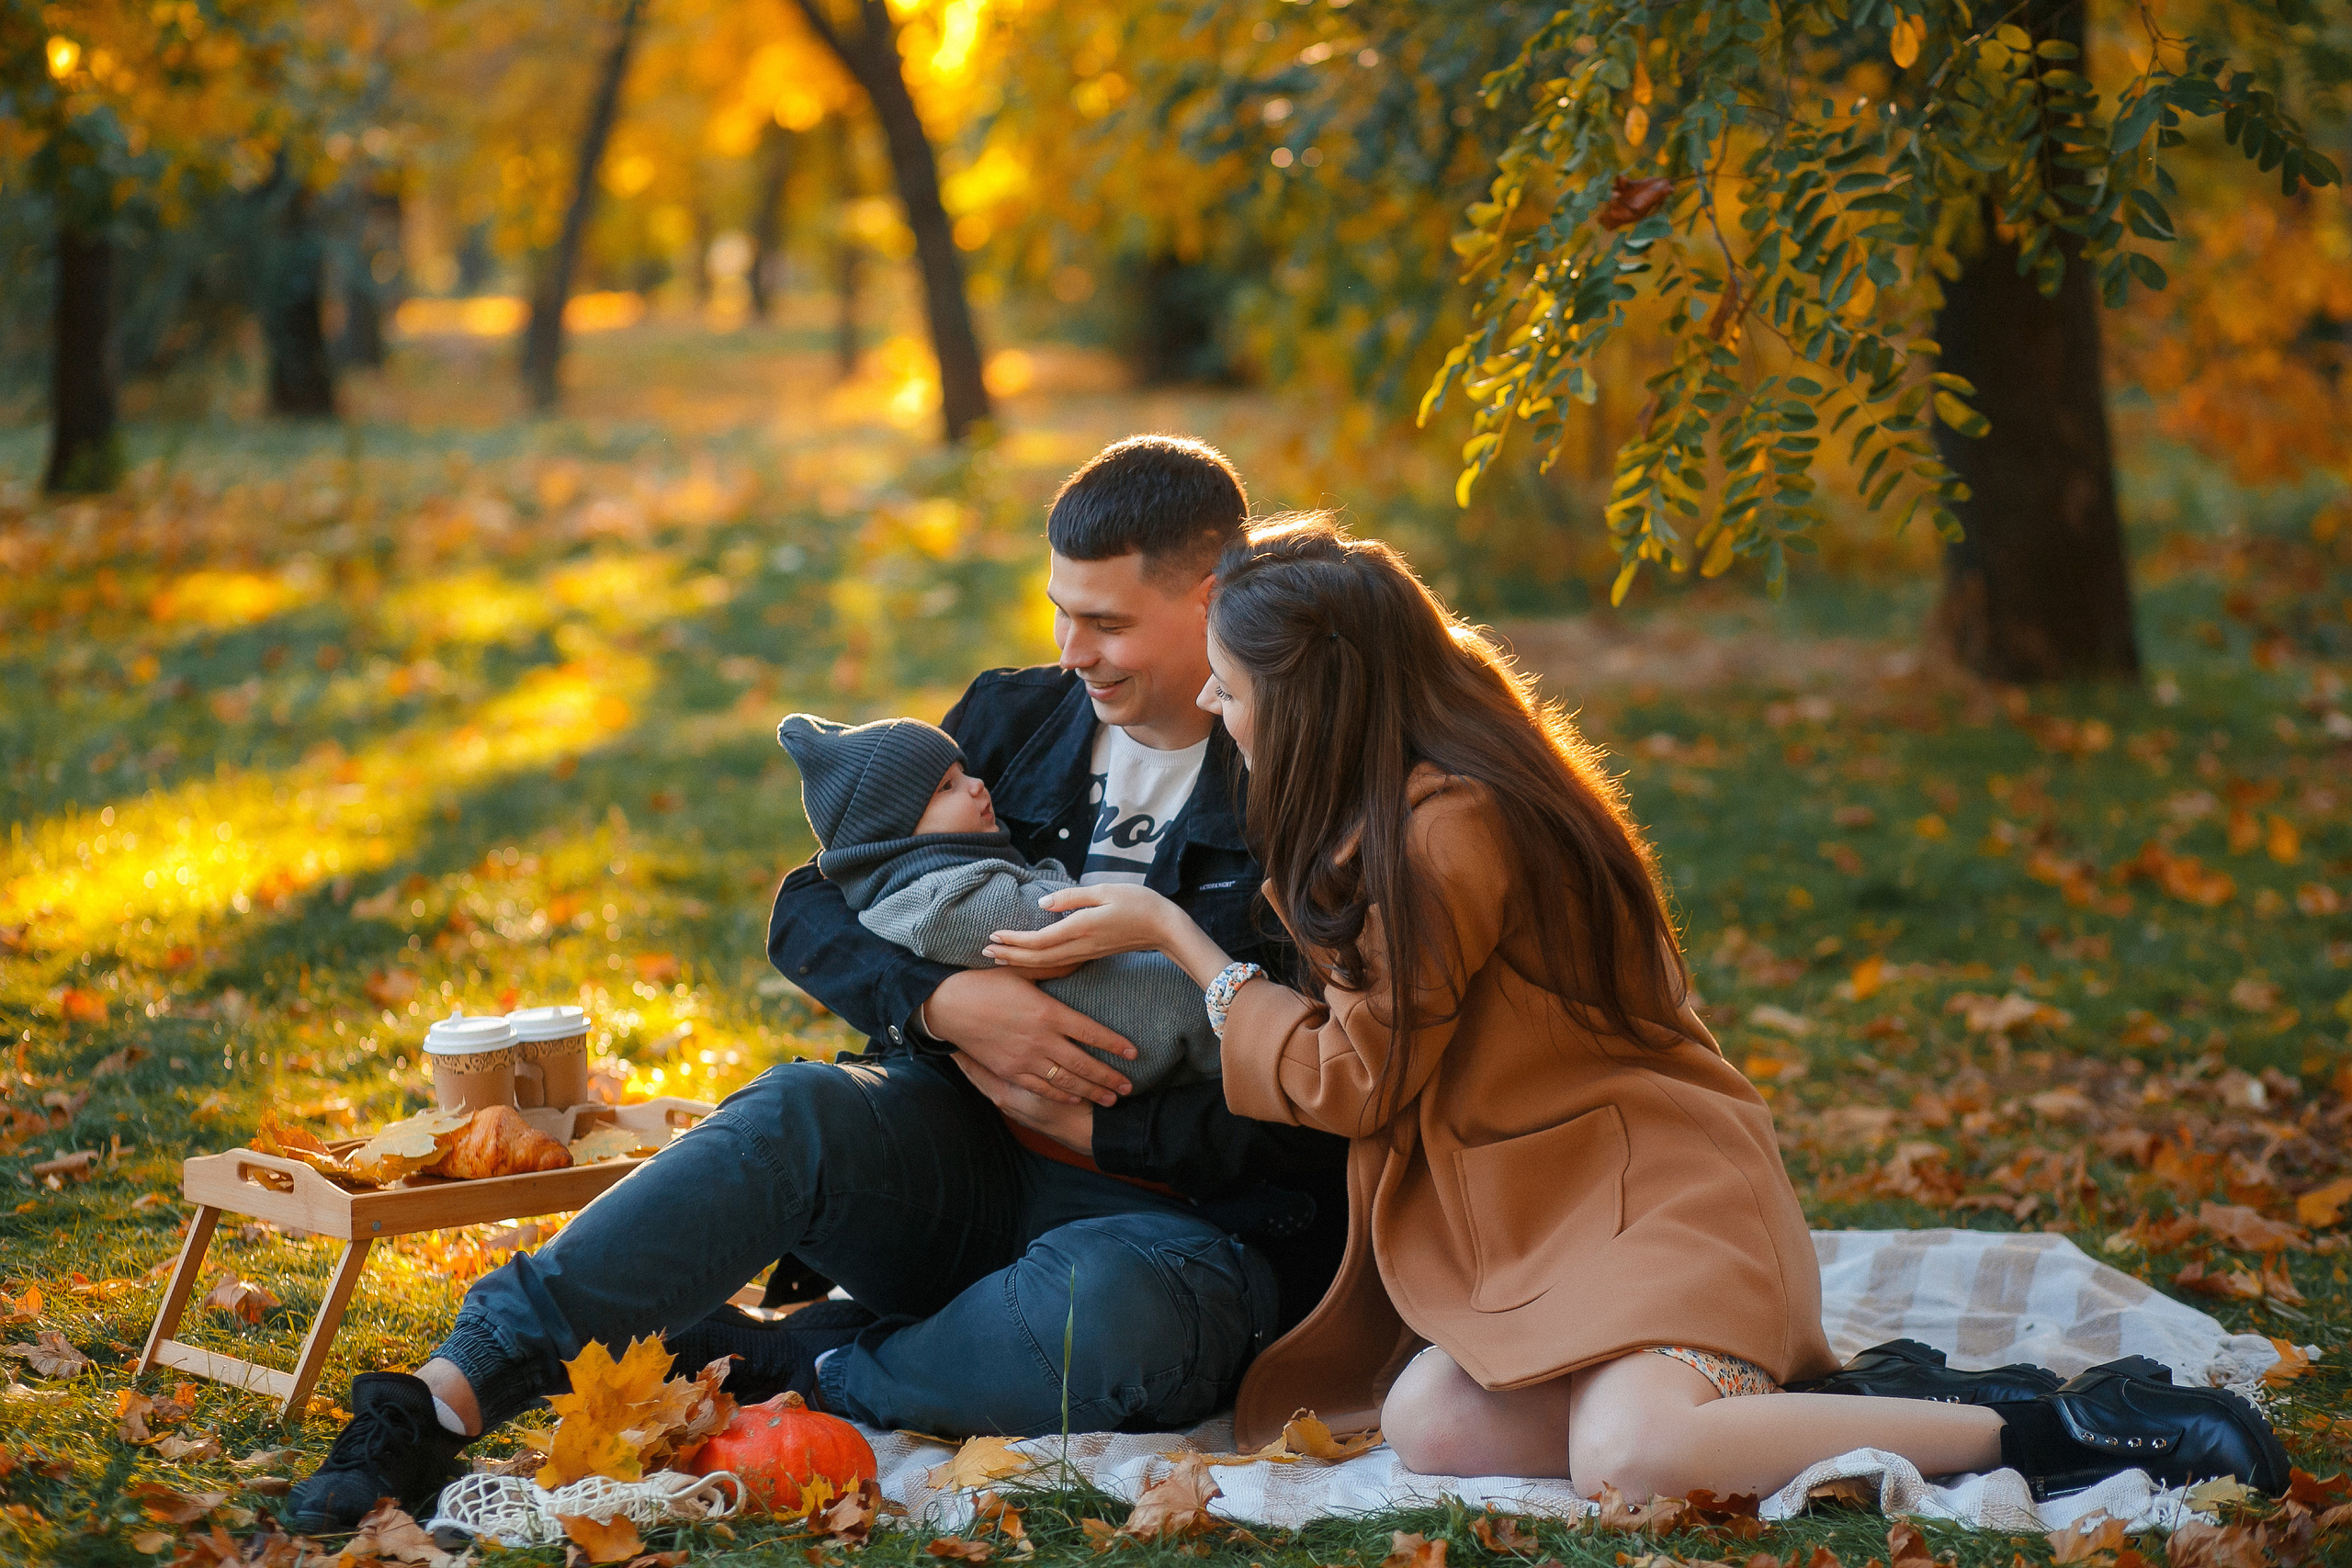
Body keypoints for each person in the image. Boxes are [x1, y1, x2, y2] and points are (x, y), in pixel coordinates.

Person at [982, 515, 2290, 1502]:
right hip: (1548, 1206)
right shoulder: (1414, 793)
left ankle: (2066, 1428)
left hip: (1651, 1192)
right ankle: (1896, 1396)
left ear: (1314, 692)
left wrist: (1181, 941)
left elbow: (1351, 1082)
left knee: (1635, 1453)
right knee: (1434, 1421)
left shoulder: (1446, 831)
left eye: (1230, 681)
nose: (1212, 704)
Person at [286, 436, 1349, 1534]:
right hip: (960, 1160)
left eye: (1110, 623)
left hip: (1178, 1234)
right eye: (1059, 612)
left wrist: (1098, 1129)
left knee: (1119, 1320)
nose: (1075, 651)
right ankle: (444, 1397)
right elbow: (817, 899)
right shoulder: (1020, 717)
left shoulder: (1305, 773)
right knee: (796, 1109)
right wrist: (940, 1007)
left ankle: (810, 1359)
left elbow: (1334, 1099)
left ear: (1212, 597)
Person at [774, 711, 1218, 1090]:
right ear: (894, 829)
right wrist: (936, 1002)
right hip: (1136, 1036)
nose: (977, 784)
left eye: (962, 773)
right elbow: (1045, 929)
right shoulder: (935, 897)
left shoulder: (946, 865)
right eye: (947, 787)